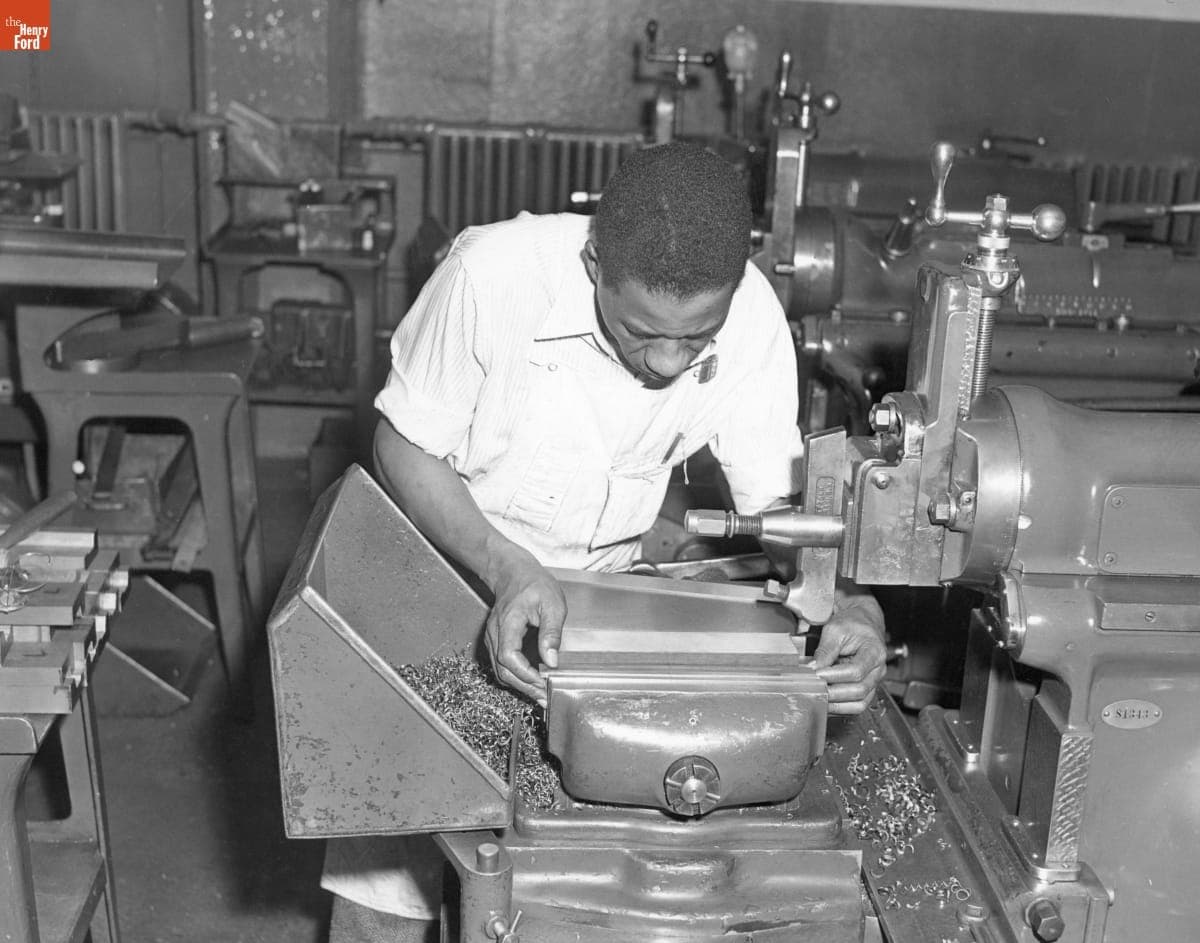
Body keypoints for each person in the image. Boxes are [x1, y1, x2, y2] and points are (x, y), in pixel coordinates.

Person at [323, 141, 888, 943]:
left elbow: (782, 510)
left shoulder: (756, 315)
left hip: (598, 594)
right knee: (392, 841)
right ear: (594, 263)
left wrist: (848, 601)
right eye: (640, 330)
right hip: (449, 563)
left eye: (697, 338)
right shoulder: (494, 277)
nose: (666, 361)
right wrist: (505, 566)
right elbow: (401, 446)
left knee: (569, 857)